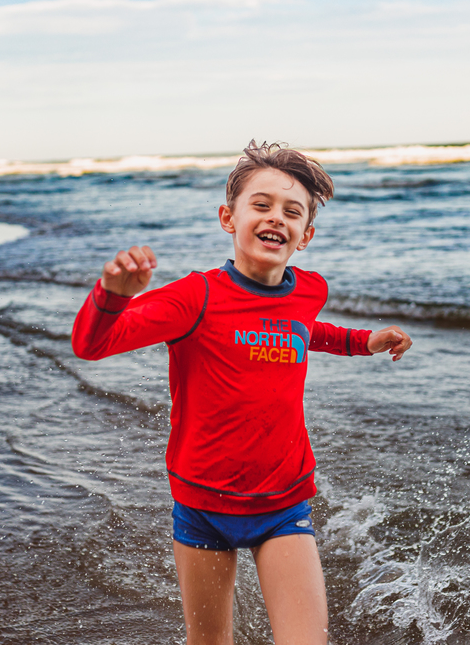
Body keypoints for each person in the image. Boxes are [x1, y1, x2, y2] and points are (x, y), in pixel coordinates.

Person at [71, 141, 412, 645]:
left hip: (283, 501)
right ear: (228, 218)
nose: (276, 217)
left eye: (292, 211)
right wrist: (113, 297)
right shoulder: (196, 297)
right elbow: (92, 345)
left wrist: (363, 342)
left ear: (306, 234)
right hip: (203, 504)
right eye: (262, 204)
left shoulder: (309, 290)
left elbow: (301, 329)